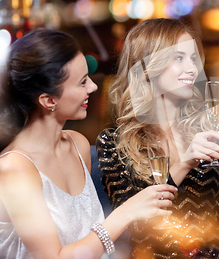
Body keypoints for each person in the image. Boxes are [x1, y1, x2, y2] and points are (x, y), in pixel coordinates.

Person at [0, 29, 177, 259]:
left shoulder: (78, 144)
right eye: (83, 82)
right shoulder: (14, 168)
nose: (93, 87)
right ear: (48, 100)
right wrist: (126, 212)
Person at [97, 18, 219, 258]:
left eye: (193, 58)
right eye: (179, 58)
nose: (192, 69)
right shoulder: (114, 143)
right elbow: (135, 229)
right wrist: (185, 164)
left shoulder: (216, 130)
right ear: (148, 65)